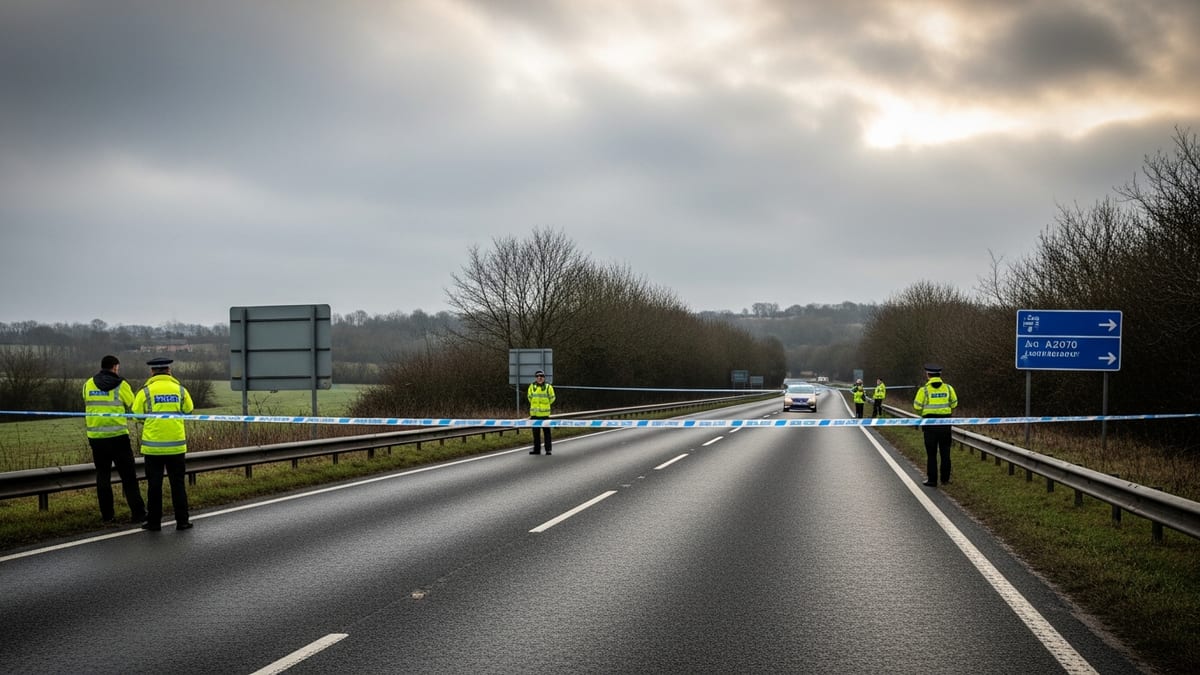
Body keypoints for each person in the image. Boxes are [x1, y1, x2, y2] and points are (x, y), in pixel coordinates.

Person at [132, 357, 195, 531]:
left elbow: (136, 414)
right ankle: (182, 521)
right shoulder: (180, 390)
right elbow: (189, 411)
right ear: (169, 370)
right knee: (178, 485)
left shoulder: (145, 391)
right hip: (176, 446)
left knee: (154, 486)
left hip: (153, 448)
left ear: (152, 372)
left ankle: (154, 523)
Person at [82, 355, 146, 523]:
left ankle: (107, 515)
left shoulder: (88, 384)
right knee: (129, 477)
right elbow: (132, 403)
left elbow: (86, 402)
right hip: (118, 437)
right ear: (115, 367)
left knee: (102, 476)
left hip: (96, 438)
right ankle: (138, 514)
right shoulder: (121, 384)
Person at [913, 363, 958, 487]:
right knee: (945, 452)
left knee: (931, 454)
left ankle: (932, 480)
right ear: (940, 375)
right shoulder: (948, 388)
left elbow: (916, 406)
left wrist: (924, 412)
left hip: (929, 425)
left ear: (928, 375)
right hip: (945, 424)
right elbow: (954, 403)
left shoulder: (924, 390)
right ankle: (945, 479)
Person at [527, 370, 556, 455]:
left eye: (541, 376)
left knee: (547, 433)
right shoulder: (532, 386)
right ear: (536, 378)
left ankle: (548, 450)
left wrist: (545, 405)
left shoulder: (548, 387)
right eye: (537, 376)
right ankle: (537, 450)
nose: (539, 378)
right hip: (535, 415)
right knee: (536, 434)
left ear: (544, 377)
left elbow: (552, 398)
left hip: (544, 415)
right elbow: (529, 397)